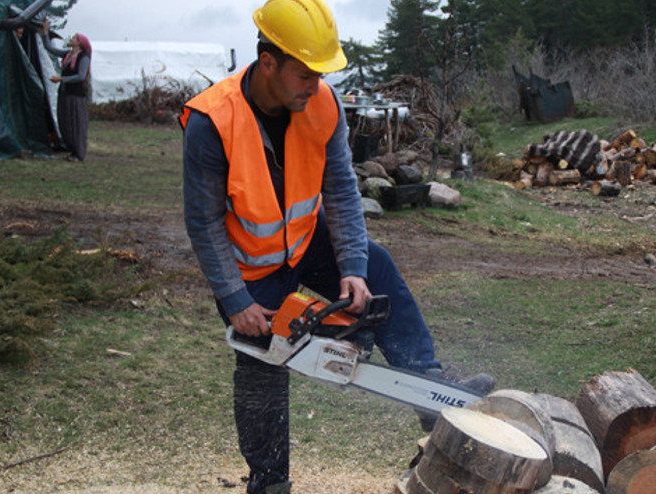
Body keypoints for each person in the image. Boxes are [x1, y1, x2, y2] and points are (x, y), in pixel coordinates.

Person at [180, 1, 494, 493]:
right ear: (269, 63)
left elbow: (342, 189)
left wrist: (352, 266)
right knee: (263, 365)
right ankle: (270, 482)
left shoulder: (322, 104)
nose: (315, 84)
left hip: (306, 239)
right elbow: (202, 221)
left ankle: (428, 388)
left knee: (378, 264)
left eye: (320, 74)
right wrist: (235, 300)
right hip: (249, 267)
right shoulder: (212, 121)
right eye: (306, 73)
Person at [41, 18, 91, 162]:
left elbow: (81, 76)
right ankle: (72, 150)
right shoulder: (68, 55)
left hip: (76, 95)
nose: (72, 39)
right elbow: (50, 48)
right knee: (65, 122)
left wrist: (62, 79)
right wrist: (45, 31)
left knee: (76, 123)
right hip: (64, 93)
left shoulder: (83, 57)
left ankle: (78, 153)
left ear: (80, 43)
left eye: (75, 38)